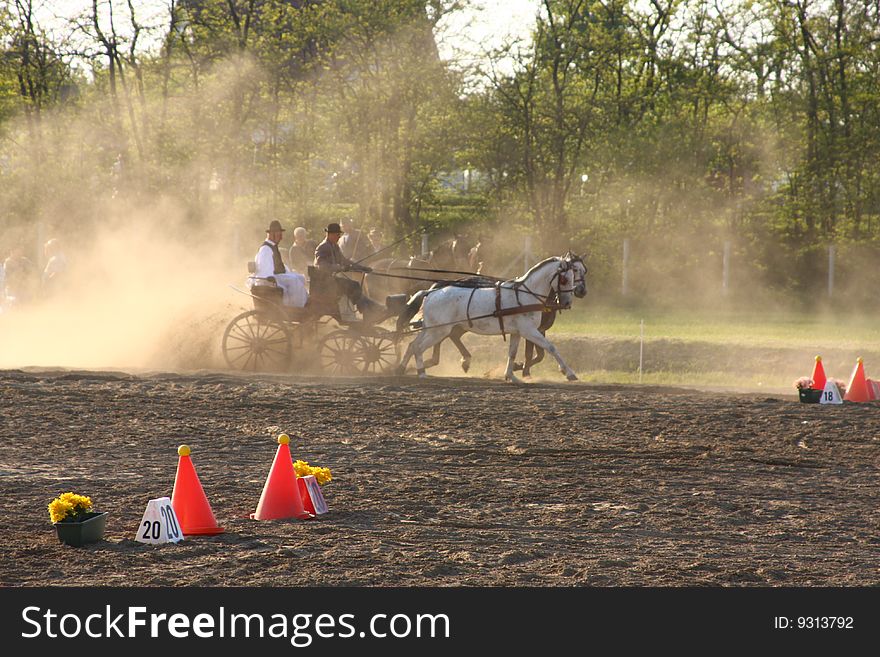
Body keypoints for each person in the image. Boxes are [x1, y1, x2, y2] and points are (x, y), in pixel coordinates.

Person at [314, 222, 383, 322]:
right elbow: (321, 266)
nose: (339, 237)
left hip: (331, 281)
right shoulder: (323, 247)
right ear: (330, 234)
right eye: (338, 235)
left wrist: (362, 268)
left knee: (354, 285)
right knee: (354, 285)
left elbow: (345, 261)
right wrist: (339, 267)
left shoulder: (334, 246)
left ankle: (372, 307)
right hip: (325, 283)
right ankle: (368, 309)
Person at [249, 220, 308, 308]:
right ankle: (297, 307)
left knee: (300, 277)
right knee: (294, 280)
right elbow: (265, 270)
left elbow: (279, 266)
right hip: (268, 281)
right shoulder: (266, 249)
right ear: (272, 234)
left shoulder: (272, 247)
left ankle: (304, 302)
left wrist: (289, 272)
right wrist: (272, 280)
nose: (281, 237)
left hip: (275, 277)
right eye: (279, 234)